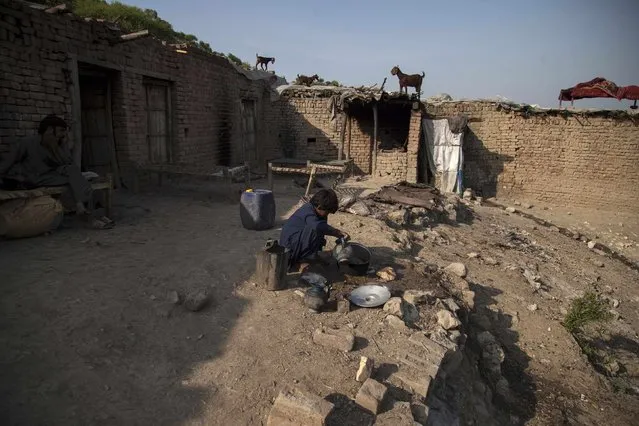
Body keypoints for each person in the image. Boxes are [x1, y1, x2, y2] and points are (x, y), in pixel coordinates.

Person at [0, 115, 113, 229]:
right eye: (61, 130)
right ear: (49, 130)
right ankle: (86, 213)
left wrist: (59, 149)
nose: (63, 134)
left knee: (76, 178)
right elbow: (8, 162)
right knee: (78, 180)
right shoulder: (27, 143)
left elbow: (69, 164)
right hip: (33, 179)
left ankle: (83, 209)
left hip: (53, 176)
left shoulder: (58, 144)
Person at [279, 189, 349, 272]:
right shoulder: (307, 211)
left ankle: (311, 256)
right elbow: (318, 227)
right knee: (316, 228)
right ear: (319, 206)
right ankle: (297, 263)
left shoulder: (318, 213)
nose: (327, 214)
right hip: (290, 248)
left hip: (299, 241)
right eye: (327, 212)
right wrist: (337, 232)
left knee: (320, 227)